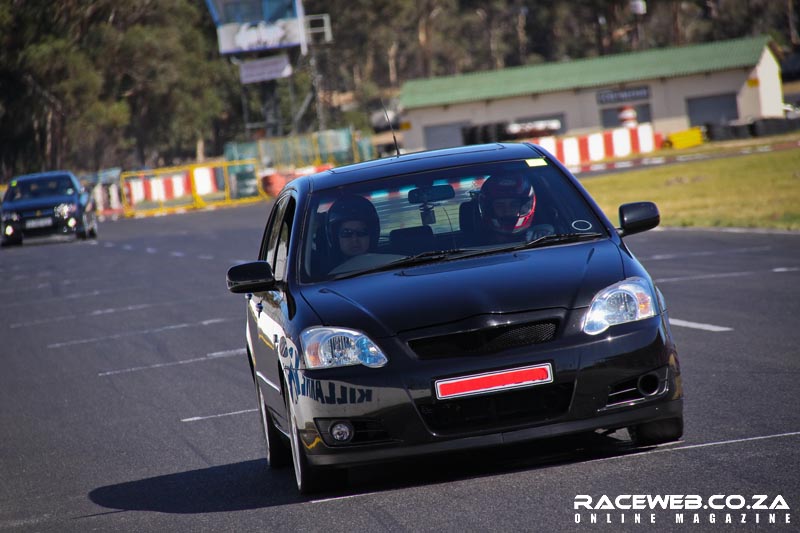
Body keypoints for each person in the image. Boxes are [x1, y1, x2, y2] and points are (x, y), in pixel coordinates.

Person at [477, 173, 553, 244]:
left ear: (525, 205)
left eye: (514, 204)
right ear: (490, 209)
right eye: (499, 205)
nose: (507, 210)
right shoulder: (476, 244)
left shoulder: (542, 238)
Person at [325, 194, 380, 268]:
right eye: (347, 233)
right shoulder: (324, 274)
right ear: (335, 238)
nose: (355, 239)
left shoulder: (389, 263)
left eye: (361, 233)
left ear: (372, 235)